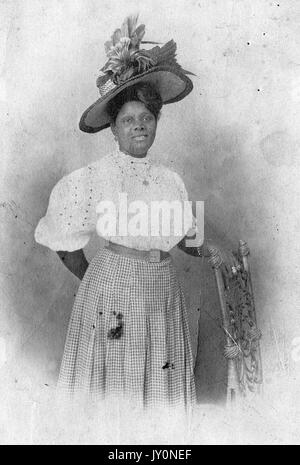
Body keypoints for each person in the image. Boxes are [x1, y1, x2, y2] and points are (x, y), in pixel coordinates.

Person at [34, 16, 238, 417]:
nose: (139, 127)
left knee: (157, 392)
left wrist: (210, 250)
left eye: (146, 119)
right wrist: (102, 279)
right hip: (114, 295)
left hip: (164, 292)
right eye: (128, 120)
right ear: (113, 129)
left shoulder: (169, 180)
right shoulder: (93, 178)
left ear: (156, 123)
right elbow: (64, 243)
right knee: (117, 394)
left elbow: (182, 237)